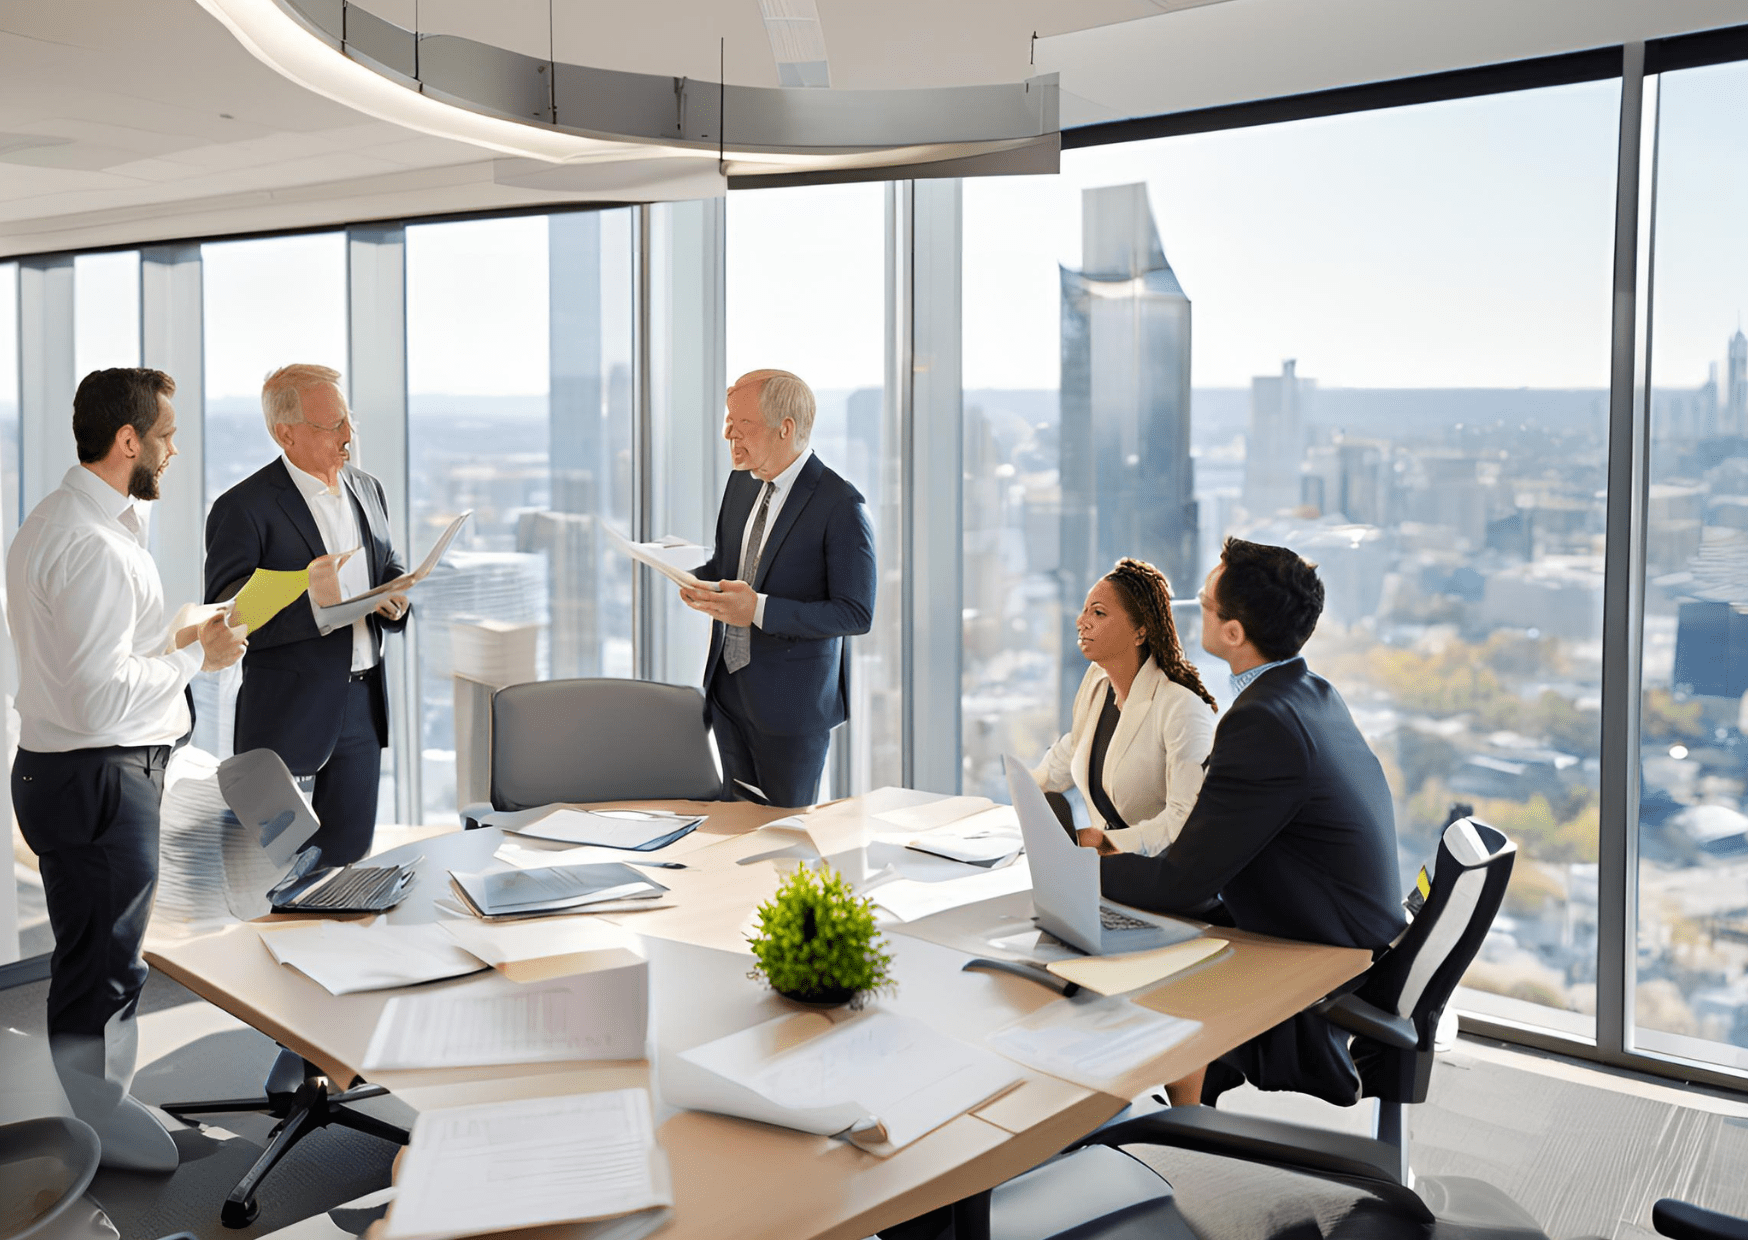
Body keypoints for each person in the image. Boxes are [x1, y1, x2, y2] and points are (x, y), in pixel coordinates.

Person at [8, 367, 247, 1170]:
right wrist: (196, 655)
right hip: (99, 776)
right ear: (128, 440)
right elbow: (98, 695)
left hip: (73, 773)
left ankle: (99, 1110)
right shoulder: (92, 544)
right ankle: (100, 1128)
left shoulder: (67, 520)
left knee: (94, 957)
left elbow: (91, 668)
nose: (175, 450)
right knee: (105, 967)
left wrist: (175, 639)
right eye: (167, 435)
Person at [1100, 537, 1405, 1108]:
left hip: (1324, 960)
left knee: (1131, 961)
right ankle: (1187, 1115)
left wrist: (1082, 872)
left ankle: (1179, 1133)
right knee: (1161, 931)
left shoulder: (1264, 721)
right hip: (1352, 934)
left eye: (1206, 603)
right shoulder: (1308, 692)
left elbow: (1183, 883)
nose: (1196, 607)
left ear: (1234, 634)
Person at [204, 364, 410, 868]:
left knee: (348, 860)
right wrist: (319, 609)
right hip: (286, 713)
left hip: (362, 704)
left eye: (348, 421)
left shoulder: (369, 488)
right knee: (274, 872)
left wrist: (397, 597)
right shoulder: (243, 507)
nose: (347, 436)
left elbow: (386, 563)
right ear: (286, 434)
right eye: (331, 425)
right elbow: (229, 615)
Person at [678, 369, 875, 808]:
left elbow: (854, 613)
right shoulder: (740, 483)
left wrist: (758, 610)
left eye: (741, 423)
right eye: (728, 420)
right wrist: (688, 575)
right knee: (733, 831)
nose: (727, 432)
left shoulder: (841, 505)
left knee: (782, 845)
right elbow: (728, 566)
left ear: (785, 428)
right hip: (728, 694)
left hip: (792, 711)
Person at [1033, 558, 1217, 857]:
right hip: (1104, 869)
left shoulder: (1180, 707)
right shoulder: (1097, 683)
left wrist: (1107, 844)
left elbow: (1184, 820)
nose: (1082, 621)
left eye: (1099, 613)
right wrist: (1025, 793)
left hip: (1159, 872)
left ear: (1140, 632)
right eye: (1084, 611)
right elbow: (1075, 747)